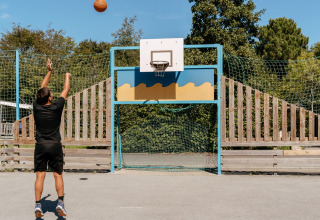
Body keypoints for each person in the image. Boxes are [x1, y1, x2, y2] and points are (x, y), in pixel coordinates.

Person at [33, 58, 71, 218]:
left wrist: (49, 71)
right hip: (54, 145)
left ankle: (38, 205)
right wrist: (67, 77)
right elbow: (65, 90)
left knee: (40, 175)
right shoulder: (56, 107)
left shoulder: (36, 106)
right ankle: (60, 202)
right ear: (49, 98)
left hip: (41, 145)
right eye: (50, 93)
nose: (51, 92)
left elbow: (42, 88)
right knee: (58, 174)